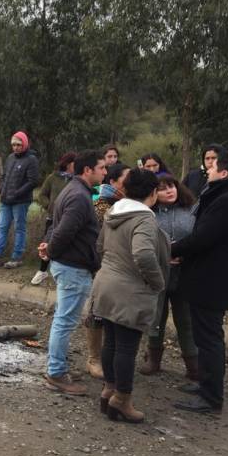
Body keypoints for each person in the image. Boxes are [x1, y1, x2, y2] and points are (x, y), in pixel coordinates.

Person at [91, 169, 168, 423]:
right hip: (129, 290)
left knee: (111, 342)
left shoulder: (114, 211)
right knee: (126, 347)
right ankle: (122, 400)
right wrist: (157, 282)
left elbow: (100, 245)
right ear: (153, 193)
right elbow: (144, 254)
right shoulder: (144, 219)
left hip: (106, 284)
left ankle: (108, 390)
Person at [172, 151, 228, 414]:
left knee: (209, 337)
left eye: (213, 166)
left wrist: (171, 250)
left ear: (224, 173)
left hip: (210, 279)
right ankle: (204, 383)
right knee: (205, 335)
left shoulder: (227, 201)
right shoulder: (227, 197)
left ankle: (211, 397)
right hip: (208, 275)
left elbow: (203, 238)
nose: (208, 169)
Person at [39, 150, 106, 395]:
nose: (105, 172)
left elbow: (55, 226)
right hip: (73, 267)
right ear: (87, 170)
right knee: (64, 322)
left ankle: (59, 367)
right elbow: (64, 230)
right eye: (101, 168)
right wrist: (51, 250)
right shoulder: (79, 196)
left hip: (70, 265)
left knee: (63, 320)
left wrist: (49, 247)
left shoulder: (73, 190)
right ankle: (56, 373)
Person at [139, 174, 198, 379]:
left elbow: (200, 237)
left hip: (185, 273)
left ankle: (193, 364)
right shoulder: (148, 213)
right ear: (154, 193)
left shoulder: (191, 209)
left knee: (186, 319)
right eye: (163, 188)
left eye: (171, 186)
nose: (169, 191)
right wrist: (163, 257)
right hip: (158, 272)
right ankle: (153, 359)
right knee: (156, 317)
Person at [81, 162, 131, 379]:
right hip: (102, 265)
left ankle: (114, 357)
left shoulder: (131, 203)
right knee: (97, 312)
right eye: (126, 179)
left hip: (125, 268)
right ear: (113, 182)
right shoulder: (100, 204)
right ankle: (94, 358)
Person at [0, 131, 39, 269]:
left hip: (21, 201)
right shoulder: (10, 158)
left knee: (19, 229)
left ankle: (17, 258)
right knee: (2, 227)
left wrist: (17, 193)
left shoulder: (31, 159)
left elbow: (33, 181)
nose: (15, 147)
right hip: (5, 200)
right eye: (13, 144)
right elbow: (5, 176)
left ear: (25, 144)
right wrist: (2, 189)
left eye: (18, 144)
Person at [31, 152, 76, 285]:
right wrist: (50, 206)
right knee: (47, 242)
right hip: (52, 217)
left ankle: (61, 272)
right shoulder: (53, 178)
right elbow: (42, 195)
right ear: (68, 164)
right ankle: (42, 271)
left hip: (69, 218)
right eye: (75, 163)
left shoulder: (77, 179)